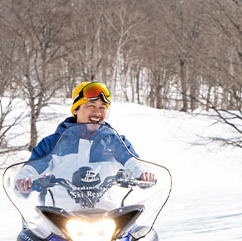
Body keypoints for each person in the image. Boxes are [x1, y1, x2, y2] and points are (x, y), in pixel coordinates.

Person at [15, 81, 155, 193]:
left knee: (143, 229)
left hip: (108, 215)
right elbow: (31, 168)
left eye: (102, 107)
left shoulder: (113, 141)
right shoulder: (53, 143)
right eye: (91, 106)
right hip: (59, 216)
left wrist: (143, 174)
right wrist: (24, 180)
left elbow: (133, 161)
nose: (97, 113)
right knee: (31, 230)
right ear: (76, 110)